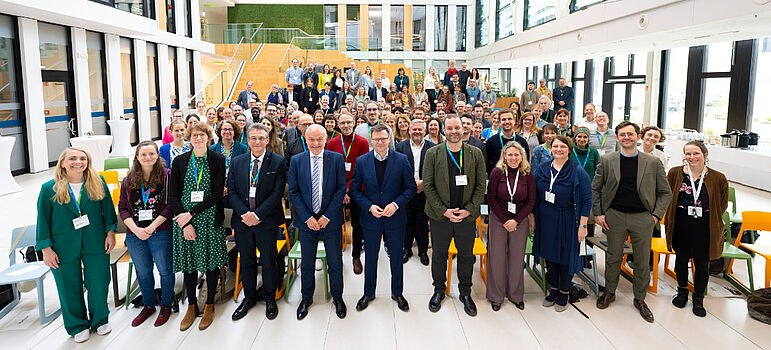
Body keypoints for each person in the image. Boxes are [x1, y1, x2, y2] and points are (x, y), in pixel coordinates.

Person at [593, 121, 672, 323]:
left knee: (642, 261)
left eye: (630, 134)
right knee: (613, 257)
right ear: (617, 138)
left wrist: (655, 216)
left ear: (638, 136)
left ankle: (640, 299)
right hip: (615, 216)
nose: (626, 137)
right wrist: (599, 214)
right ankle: (610, 291)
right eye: (622, 134)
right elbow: (596, 189)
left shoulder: (652, 162)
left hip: (643, 218)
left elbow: (665, 192)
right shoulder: (607, 160)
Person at [36, 147, 117, 343]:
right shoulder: (49, 188)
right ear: (62, 163)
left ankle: (100, 319)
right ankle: (77, 324)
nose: (78, 162)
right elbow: (43, 220)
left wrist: (110, 232)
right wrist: (46, 248)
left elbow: (108, 211)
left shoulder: (98, 183)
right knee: (67, 284)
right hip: (62, 243)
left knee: (98, 280)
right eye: (72, 158)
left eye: (82, 158)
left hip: (95, 239)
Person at [422, 115, 486, 316]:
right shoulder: (433, 153)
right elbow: (428, 186)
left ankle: (465, 292)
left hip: (466, 216)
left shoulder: (475, 153)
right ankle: (439, 290)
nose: (454, 131)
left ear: (463, 128)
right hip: (440, 216)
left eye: (457, 127)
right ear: (444, 130)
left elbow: (480, 185)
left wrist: (469, 209)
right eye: (449, 128)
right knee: (439, 255)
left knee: (466, 256)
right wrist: (443, 211)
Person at [349, 124, 416, 312]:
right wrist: (369, 206)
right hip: (371, 218)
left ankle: (397, 293)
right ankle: (368, 292)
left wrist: (395, 205)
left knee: (396, 257)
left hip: (395, 217)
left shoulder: (401, 160)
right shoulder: (362, 161)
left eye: (383, 139)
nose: (380, 142)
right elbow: (354, 189)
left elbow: (410, 188)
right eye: (376, 139)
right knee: (370, 257)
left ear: (389, 139)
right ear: (372, 140)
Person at [169, 122, 227, 331]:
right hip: (185, 222)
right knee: (190, 265)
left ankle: (209, 303)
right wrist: (185, 222)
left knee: (211, 265)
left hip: (210, 219)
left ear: (208, 137)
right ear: (188, 137)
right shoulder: (180, 161)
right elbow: (173, 196)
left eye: (202, 135)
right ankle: (192, 305)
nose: (198, 138)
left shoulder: (218, 159)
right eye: (194, 135)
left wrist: (191, 214)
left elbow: (216, 193)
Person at [287, 124, 348, 320]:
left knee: (335, 261)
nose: (315, 143)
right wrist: (308, 218)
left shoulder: (336, 158)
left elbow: (341, 189)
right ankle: (306, 298)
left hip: (330, 219)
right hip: (306, 221)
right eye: (311, 139)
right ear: (305, 139)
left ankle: (338, 297)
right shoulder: (296, 161)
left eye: (319, 139)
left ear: (326, 139)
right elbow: (293, 192)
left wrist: (326, 216)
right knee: (306, 262)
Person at [226, 123, 286, 321]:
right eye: (254, 138)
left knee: (269, 261)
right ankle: (249, 297)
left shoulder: (277, 162)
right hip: (242, 221)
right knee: (247, 260)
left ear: (268, 140)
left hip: (266, 221)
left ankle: (269, 298)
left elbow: (277, 194)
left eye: (262, 138)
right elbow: (232, 192)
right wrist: (245, 214)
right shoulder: (237, 162)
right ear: (248, 140)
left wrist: (257, 215)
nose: (258, 142)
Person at [664, 141, 728, 317]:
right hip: (681, 224)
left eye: (696, 153)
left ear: (705, 155)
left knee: (702, 264)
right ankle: (682, 291)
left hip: (705, 226)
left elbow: (721, 204)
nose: (692, 157)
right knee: (681, 259)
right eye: (688, 153)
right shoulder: (675, 173)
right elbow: (668, 195)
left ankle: (698, 298)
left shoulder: (718, 177)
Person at [118, 141, 174, 327]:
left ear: (158, 156)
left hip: (160, 231)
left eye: (151, 154)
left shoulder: (167, 176)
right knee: (143, 272)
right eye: (143, 154)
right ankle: (149, 305)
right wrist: (135, 229)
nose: (147, 157)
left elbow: (170, 206)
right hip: (135, 234)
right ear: (137, 157)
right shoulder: (129, 180)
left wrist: (152, 227)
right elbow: (123, 208)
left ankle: (166, 304)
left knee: (165, 270)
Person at [533, 136, 591, 312]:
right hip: (546, 218)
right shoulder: (543, 168)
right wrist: (532, 217)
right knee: (549, 255)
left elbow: (587, 201)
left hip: (567, 218)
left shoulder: (578, 172)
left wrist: (583, 225)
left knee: (566, 256)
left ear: (569, 149)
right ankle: (554, 289)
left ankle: (565, 292)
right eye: (555, 146)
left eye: (562, 146)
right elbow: (534, 193)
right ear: (550, 149)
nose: (558, 149)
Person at [486, 142, 535, 311]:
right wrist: (505, 219)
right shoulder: (497, 172)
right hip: (498, 219)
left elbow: (531, 201)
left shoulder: (527, 173)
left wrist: (516, 220)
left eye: (517, 155)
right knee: (497, 258)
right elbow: (491, 199)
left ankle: (515, 295)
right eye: (510, 155)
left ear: (522, 157)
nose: (513, 158)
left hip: (519, 220)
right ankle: (496, 296)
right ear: (504, 156)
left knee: (516, 258)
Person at [326, 113, 371, 274]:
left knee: (357, 225)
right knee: (335, 224)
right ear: (338, 124)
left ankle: (356, 256)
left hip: (357, 189)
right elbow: (329, 169)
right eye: (342, 123)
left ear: (354, 123)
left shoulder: (362, 142)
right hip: (337, 189)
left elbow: (364, 168)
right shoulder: (332, 143)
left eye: (348, 122)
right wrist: (342, 189)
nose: (345, 125)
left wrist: (350, 189)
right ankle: (335, 256)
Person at [395, 119, 435, 266]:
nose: (417, 132)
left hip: (425, 191)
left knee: (423, 223)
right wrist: (411, 185)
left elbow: (436, 170)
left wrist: (423, 183)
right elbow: (397, 169)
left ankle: (423, 251)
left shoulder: (433, 148)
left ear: (425, 131)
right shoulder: (400, 147)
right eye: (415, 129)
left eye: (420, 129)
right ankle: (407, 249)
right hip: (406, 192)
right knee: (407, 222)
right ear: (410, 131)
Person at [484, 109, 530, 173]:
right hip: (498, 179)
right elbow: (487, 164)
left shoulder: (522, 142)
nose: (507, 121)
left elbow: (526, 163)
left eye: (509, 119)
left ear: (514, 121)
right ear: (499, 122)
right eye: (504, 119)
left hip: (518, 179)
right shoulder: (491, 141)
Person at [211, 119, 249, 184]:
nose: (227, 131)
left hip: (236, 185)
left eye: (230, 129)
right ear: (220, 131)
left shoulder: (243, 148)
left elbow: (245, 171)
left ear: (235, 132)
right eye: (224, 129)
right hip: (218, 185)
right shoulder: (213, 148)